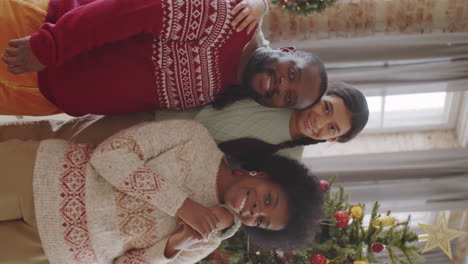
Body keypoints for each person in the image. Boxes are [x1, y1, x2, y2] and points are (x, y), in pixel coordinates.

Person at [0, 120, 324, 263]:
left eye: (262, 221)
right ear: (265, 175)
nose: (255, 210)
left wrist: (176, 244)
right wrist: (182, 205)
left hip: (51, 252)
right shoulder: (194, 138)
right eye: (269, 199)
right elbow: (109, 155)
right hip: (38, 179)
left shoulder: (206, 239)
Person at [0, 0, 327, 116]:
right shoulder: (224, 18)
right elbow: (127, 10)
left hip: (44, 97)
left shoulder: (223, 96)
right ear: (287, 52)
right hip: (36, 36)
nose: (281, 85)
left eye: (288, 98)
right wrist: (50, 46)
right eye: (292, 74)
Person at [0, 81, 368, 160]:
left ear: (332, 140)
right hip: (152, 114)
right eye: (326, 108)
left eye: (332, 128)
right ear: (322, 96)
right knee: (63, 135)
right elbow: (254, 36)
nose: (320, 122)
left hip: (161, 161)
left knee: (64, 161)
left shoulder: (288, 160)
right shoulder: (281, 89)